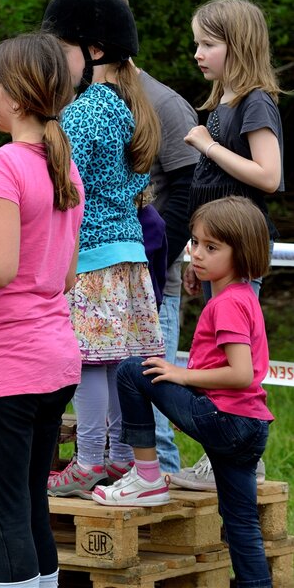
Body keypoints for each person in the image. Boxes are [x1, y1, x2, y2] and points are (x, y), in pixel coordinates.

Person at [0, 33, 84, 588]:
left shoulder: (2, 165)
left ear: (15, 97)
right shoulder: (63, 167)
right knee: (30, 509)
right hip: (53, 362)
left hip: (2, 370)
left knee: (3, 520)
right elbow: (67, 275)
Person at [92, 196, 274, 588]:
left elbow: (241, 373)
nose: (196, 254)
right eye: (194, 243)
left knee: (132, 369)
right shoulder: (242, 297)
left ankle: (146, 477)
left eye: (212, 247)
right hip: (251, 427)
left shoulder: (226, 304)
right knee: (241, 521)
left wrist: (182, 376)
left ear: (242, 253)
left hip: (225, 420)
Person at [42, 0, 164, 500]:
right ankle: (116, 459)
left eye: (61, 47)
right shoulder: (126, 107)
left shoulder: (83, 110)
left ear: (92, 52)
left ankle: (89, 459)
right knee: (113, 360)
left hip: (90, 257)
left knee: (88, 361)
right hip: (126, 253)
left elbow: (64, 184)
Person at [174, 0, 283, 490]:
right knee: (213, 355)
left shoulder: (255, 102)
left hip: (243, 251)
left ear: (236, 46)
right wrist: (195, 258)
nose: (197, 53)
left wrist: (208, 146)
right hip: (219, 253)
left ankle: (242, 455)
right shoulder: (220, 105)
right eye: (197, 43)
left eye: (208, 44)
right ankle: (223, 454)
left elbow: (268, 175)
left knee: (234, 362)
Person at [95, 0, 201, 475]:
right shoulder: (90, 103)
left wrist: (159, 262)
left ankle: (167, 507)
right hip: (105, 278)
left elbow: (188, 190)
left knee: (153, 409)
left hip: (154, 276)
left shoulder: (163, 102)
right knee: (118, 406)